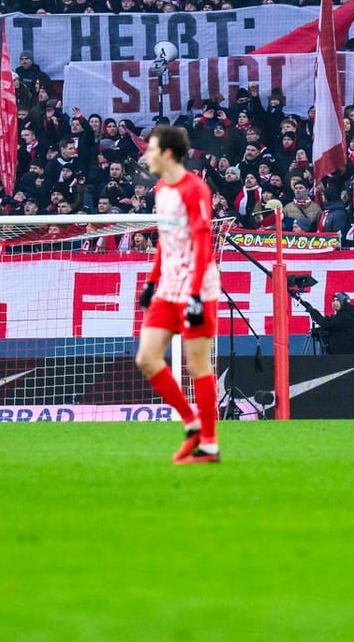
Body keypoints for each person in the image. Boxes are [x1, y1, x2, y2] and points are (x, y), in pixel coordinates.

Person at [132, 125, 222, 464]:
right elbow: (165, 240)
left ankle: (210, 445)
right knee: (147, 357)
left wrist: (196, 294)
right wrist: (151, 281)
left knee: (198, 364)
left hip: (196, 286)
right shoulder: (160, 189)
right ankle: (192, 422)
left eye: (151, 149)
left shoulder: (195, 189)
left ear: (168, 153)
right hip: (168, 286)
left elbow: (202, 244)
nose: (146, 155)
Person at [309, 290, 354, 354]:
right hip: (345, 355)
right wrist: (317, 331)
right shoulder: (343, 316)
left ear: (345, 302)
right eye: (334, 300)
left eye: (337, 300)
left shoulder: (345, 316)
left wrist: (313, 311)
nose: (335, 303)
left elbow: (326, 323)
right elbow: (335, 329)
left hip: (349, 356)